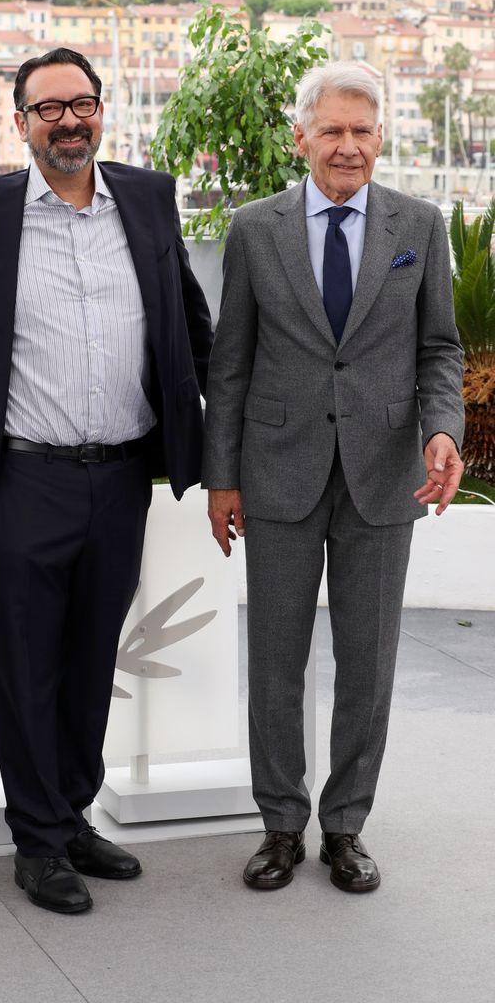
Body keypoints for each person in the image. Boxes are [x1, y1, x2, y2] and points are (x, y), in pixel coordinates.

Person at [0, 47, 213, 914]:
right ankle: (38, 841)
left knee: (94, 657)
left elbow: (191, 324)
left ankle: (73, 814)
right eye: (48, 108)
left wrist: (226, 440)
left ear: (102, 110)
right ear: (20, 122)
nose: (68, 121)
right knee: (27, 666)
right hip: (23, 478)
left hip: (123, 475)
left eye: (81, 104)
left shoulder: (148, 197)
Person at [203, 61, 465, 893]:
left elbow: (440, 350)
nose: (347, 146)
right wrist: (221, 479)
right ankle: (281, 825)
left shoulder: (420, 224)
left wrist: (443, 431)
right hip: (276, 472)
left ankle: (346, 826)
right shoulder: (255, 229)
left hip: (385, 475)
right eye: (332, 131)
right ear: (301, 137)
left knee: (368, 665)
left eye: (361, 131)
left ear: (380, 137)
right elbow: (230, 363)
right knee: (275, 663)